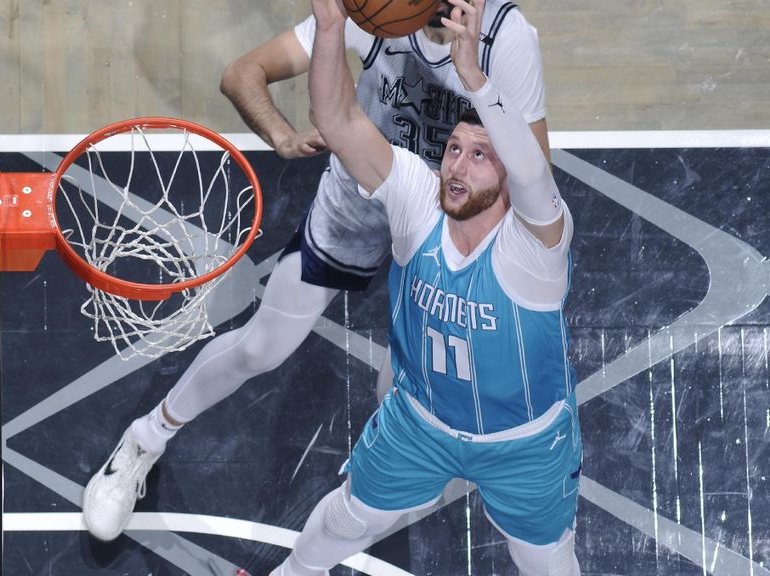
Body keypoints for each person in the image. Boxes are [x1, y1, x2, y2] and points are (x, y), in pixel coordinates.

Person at [82, 0, 552, 542]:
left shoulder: (505, 36)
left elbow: (534, 174)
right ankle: (145, 438)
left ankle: (389, 477)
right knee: (262, 347)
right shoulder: (369, 13)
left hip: (445, 220)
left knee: (408, 382)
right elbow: (243, 73)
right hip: (364, 195)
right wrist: (280, 133)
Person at [247, 0, 582, 576]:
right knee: (346, 518)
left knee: (548, 571)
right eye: (454, 149)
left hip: (525, 444)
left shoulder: (537, 246)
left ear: (507, 176)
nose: (457, 165)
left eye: (481, 156)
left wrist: (475, 79)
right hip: (418, 423)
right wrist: (330, 29)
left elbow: (534, 173)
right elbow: (339, 117)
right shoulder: (416, 198)